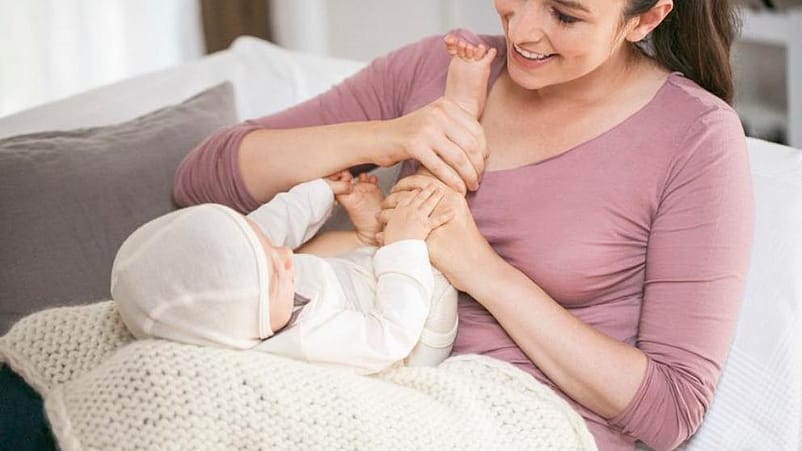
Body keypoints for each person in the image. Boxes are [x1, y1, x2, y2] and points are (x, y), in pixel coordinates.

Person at [173, 1, 755, 449]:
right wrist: (392, 135)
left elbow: (671, 410)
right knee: (158, 371)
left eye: (564, 14)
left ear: (645, 18)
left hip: (512, 423)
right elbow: (203, 178)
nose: (521, 30)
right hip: (363, 384)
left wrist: (477, 266)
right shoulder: (445, 68)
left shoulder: (694, 137)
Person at [111, 171, 459, 375]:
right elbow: (392, 336)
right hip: (404, 342)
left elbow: (266, 227)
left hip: (347, 284)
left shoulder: (247, 289)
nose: (285, 258)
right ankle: (385, 247)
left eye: (269, 252)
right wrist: (405, 244)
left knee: (306, 259)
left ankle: (371, 242)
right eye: (275, 276)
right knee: (438, 283)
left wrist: (319, 193)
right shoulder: (305, 343)